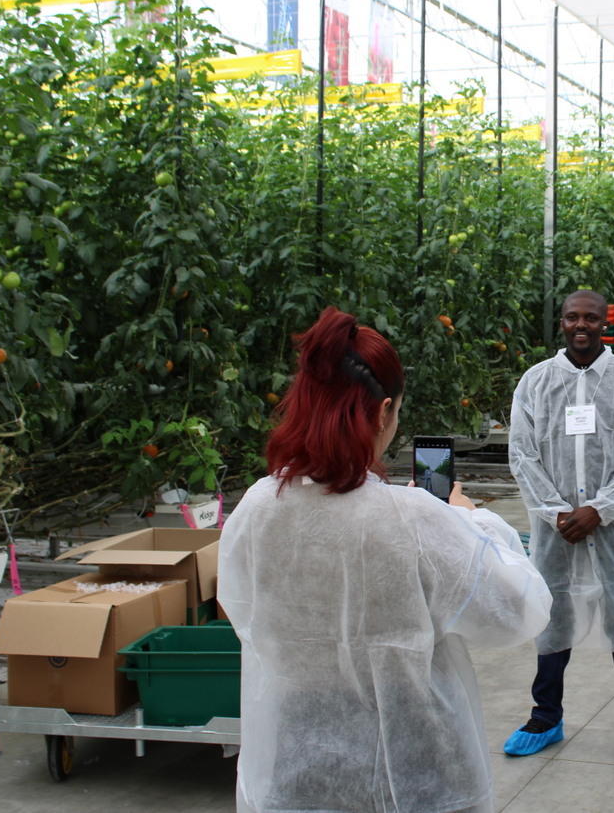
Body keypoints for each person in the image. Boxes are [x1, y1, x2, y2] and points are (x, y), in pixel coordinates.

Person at [219, 306, 552, 813]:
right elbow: (519, 611)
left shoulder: (257, 508)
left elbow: (241, 610)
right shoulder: (415, 519)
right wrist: (470, 519)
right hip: (418, 772)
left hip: (299, 766)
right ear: (383, 411)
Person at [503, 289, 614, 768]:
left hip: (613, 526)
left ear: (604, 324)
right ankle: (545, 717)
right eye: (572, 317)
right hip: (554, 528)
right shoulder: (536, 381)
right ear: (562, 323)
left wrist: (600, 508)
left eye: (590, 318)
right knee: (552, 614)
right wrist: (555, 511)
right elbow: (522, 453)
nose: (581, 325)